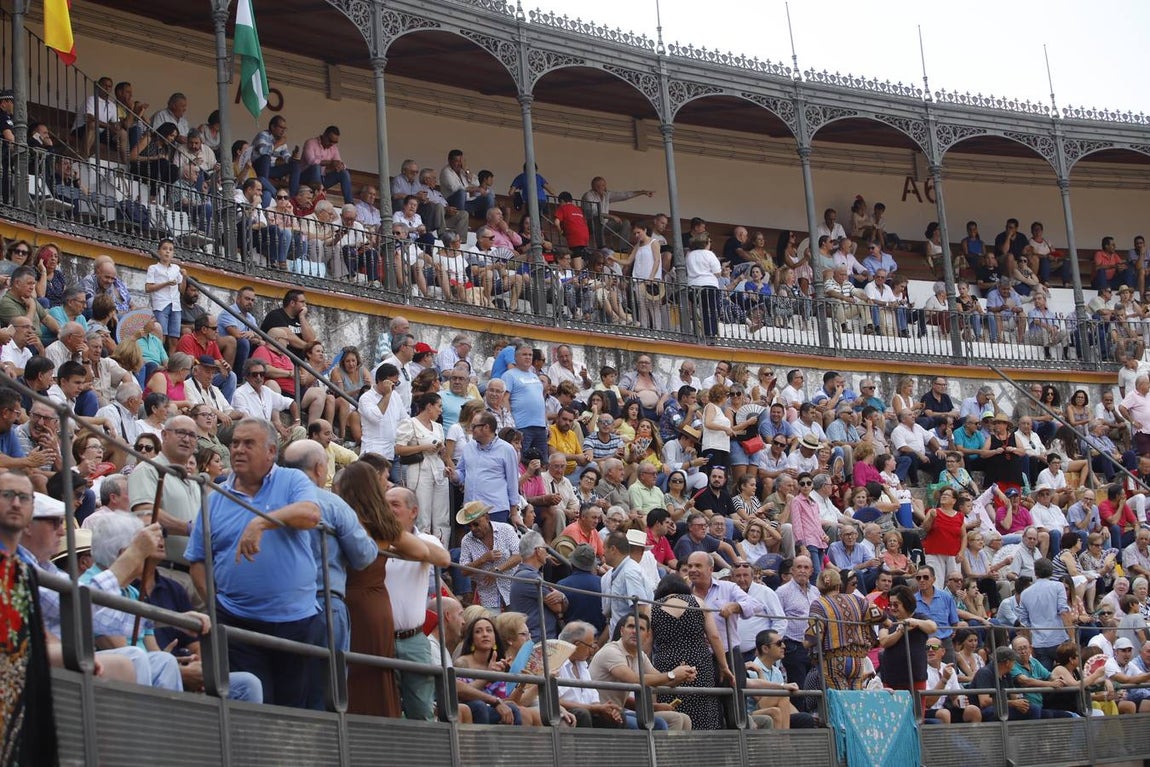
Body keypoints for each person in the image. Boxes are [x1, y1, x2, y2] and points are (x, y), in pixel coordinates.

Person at [186, 419, 325, 710]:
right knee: (253, 707)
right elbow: (197, 560)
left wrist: (261, 522)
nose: (238, 450)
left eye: (248, 444)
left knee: (293, 711)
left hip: (295, 623)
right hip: (238, 625)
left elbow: (311, 514)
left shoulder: (291, 480)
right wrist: (215, 605)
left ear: (271, 452)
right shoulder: (215, 500)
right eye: (235, 443)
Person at [650, 572, 732, 730]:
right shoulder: (698, 602)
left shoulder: (652, 608)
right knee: (704, 708)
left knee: (671, 708)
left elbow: (646, 644)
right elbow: (714, 637)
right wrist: (724, 666)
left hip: (667, 664)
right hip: (699, 662)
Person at [806, 568, 879, 690]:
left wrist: (805, 643)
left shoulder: (818, 604)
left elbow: (815, 635)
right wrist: (887, 621)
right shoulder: (856, 599)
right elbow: (878, 614)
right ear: (839, 584)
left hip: (833, 660)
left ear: (819, 586)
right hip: (857, 660)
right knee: (855, 695)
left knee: (840, 697)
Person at [877, 585, 938, 708]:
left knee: (916, 716)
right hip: (891, 677)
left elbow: (932, 627)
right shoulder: (888, 620)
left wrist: (915, 622)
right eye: (890, 604)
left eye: (896, 604)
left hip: (915, 677)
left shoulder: (920, 617)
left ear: (906, 603)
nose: (892, 608)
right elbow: (884, 641)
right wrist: (900, 631)